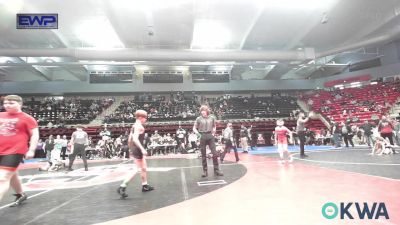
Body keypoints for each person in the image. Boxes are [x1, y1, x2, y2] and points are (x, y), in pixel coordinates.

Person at [0, 95, 39, 206]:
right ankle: (21, 194)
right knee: (12, 174)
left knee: (2, 178)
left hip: (15, 151)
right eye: (5, 103)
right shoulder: (1, 115)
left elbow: (35, 135)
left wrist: (31, 150)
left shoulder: (27, 118)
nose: (7, 105)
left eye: (11, 103)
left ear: (20, 104)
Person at [117, 110, 154, 199]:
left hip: (135, 148)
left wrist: (130, 149)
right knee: (136, 169)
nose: (146, 119)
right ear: (140, 117)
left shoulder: (134, 125)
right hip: (138, 148)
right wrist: (142, 149)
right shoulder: (138, 126)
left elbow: (130, 138)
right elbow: (135, 139)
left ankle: (145, 185)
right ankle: (122, 186)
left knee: (144, 168)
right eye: (145, 117)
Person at [193, 105, 223, 177]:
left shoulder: (212, 118)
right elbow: (194, 128)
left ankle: (216, 170)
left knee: (215, 154)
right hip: (202, 135)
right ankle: (205, 171)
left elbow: (214, 126)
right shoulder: (198, 119)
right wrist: (198, 135)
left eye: (203, 111)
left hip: (210, 136)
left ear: (207, 111)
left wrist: (213, 133)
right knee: (203, 155)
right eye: (201, 111)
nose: (202, 112)